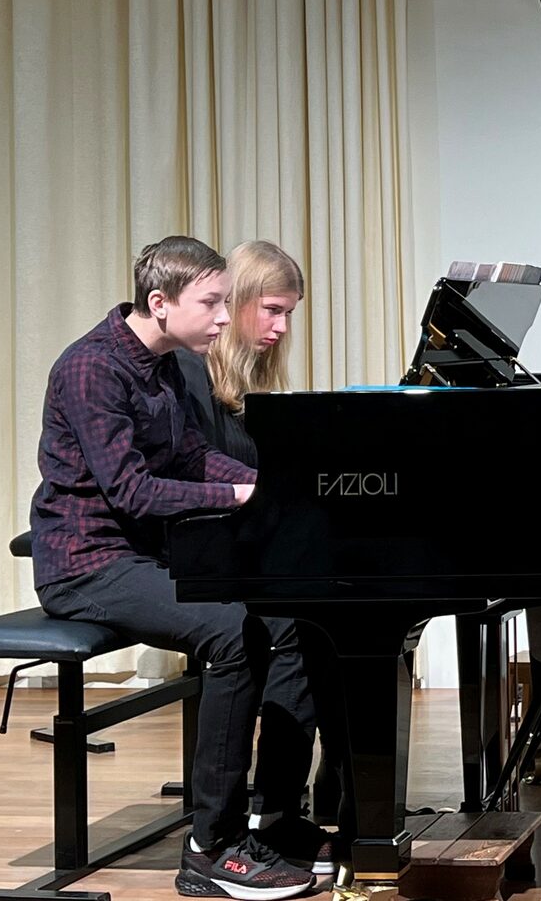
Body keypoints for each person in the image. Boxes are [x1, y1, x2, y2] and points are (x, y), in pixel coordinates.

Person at [28, 236, 317, 899]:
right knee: (233, 631)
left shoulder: (162, 366)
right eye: (212, 303)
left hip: (146, 556)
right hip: (87, 564)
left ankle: (274, 819)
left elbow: (192, 458)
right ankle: (210, 846)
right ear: (159, 303)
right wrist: (237, 495)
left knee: (292, 620)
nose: (225, 317)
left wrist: (276, 484)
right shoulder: (91, 368)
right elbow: (131, 491)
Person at [173, 240, 344, 867]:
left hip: (240, 547)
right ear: (238, 300)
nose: (281, 328)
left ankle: (282, 807)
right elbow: (196, 482)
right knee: (292, 623)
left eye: (289, 314)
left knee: (316, 619)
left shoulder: (251, 387)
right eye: (272, 310)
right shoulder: (190, 374)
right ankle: (254, 815)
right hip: (195, 552)